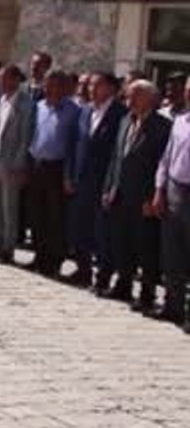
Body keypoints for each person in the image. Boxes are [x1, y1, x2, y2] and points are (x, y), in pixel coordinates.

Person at [103, 80, 171, 310]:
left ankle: (147, 293)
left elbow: (162, 164)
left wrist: (153, 196)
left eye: (134, 96)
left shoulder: (162, 127)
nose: (129, 100)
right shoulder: (125, 121)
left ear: (149, 98)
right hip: (121, 193)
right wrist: (109, 187)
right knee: (122, 242)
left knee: (146, 246)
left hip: (144, 197)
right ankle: (123, 283)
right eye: (128, 96)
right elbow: (115, 158)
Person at [70, 72, 125, 289]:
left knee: (103, 232)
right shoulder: (85, 111)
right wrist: (70, 175)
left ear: (111, 89)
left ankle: (103, 276)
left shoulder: (121, 114)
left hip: (103, 182)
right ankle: (82, 270)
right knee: (79, 228)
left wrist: (112, 185)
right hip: (81, 180)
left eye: (98, 85)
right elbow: (75, 145)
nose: (92, 89)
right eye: (91, 85)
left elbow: (118, 153)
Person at [25, 69, 80, 278]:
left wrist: (68, 175)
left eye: (57, 85)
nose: (51, 89)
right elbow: (33, 135)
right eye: (48, 84)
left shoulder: (74, 111)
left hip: (57, 168)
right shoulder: (38, 107)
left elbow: (72, 146)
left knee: (55, 217)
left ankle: (54, 261)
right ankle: (39, 256)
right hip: (37, 165)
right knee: (36, 214)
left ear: (65, 88)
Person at [0, 65, 35, 263]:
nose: (1, 83)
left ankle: (8, 246)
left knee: (9, 206)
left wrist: (19, 164)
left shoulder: (26, 103)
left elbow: (25, 136)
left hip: (12, 160)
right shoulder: (2, 100)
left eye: (5, 79)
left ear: (15, 80)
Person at [153, 75, 190, 332]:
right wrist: (159, 190)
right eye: (189, 90)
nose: (189, 94)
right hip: (175, 189)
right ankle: (173, 306)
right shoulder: (179, 122)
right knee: (172, 252)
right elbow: (166, 159)